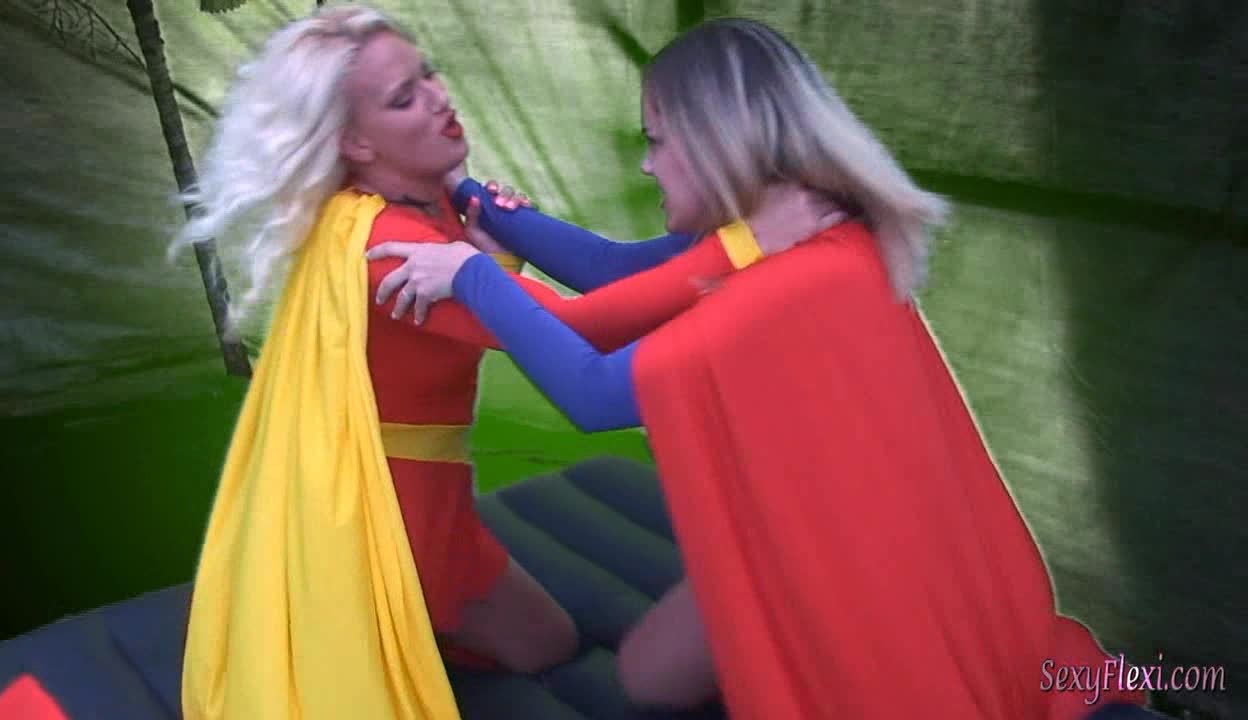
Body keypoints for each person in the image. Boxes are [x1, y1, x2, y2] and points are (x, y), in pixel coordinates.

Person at [366, 17, 1154, 720]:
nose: (648, 166)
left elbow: (592, 390)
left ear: (716, 141)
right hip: (814, 522)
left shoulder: (788, 284)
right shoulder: (787, 223)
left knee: (684, 679)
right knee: (645, 678)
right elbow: (612, 269)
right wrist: (469, 196)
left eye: (657, 141)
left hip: (857, 567)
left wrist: (470, 275)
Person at [168, 6, 829, 718]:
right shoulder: (391, 250)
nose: (438, 97)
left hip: (433, 493)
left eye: (428, 74)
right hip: (389, 514)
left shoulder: (437, 202)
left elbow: (609, 270)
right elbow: (581, 333)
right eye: (405, 97)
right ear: (354, 141)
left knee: (546, 642)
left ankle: (413, 623)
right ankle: (388, 615)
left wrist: (487, 221)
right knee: (537, 643)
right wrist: (747, 246)